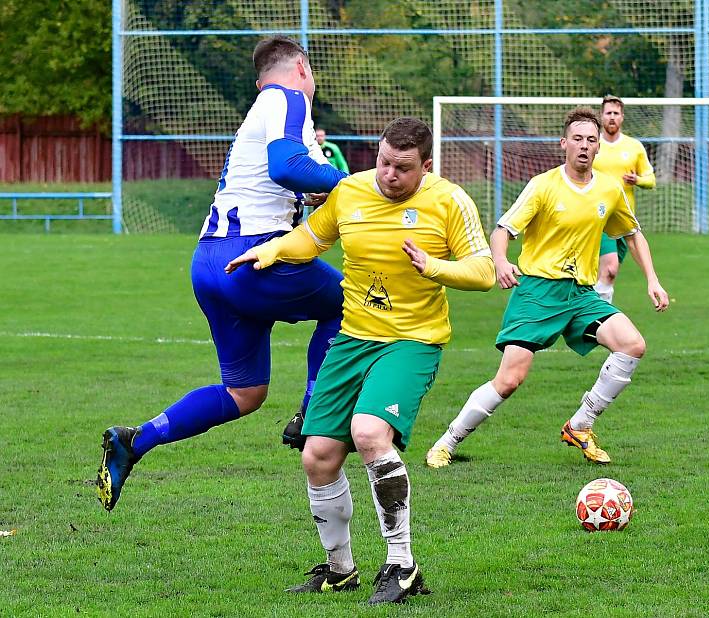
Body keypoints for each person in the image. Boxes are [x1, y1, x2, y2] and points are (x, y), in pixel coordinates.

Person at [225, 117, 495, 605]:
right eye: (384, 162)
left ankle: (402, 565)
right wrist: (271, 250)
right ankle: (340, 569)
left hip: (412, 342)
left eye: (403, 168)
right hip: (352, 340)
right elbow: (312, 237)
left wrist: (433, 266)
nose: (389, 174)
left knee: (370, 432)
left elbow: (484, 271)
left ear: (426, 166)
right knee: (318, 456)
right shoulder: (350, 191)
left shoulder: (450, 201)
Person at [95, 36, 348, 512]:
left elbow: (278, 179)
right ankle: (315, 406)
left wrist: (311, 195)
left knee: (244, 391)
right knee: (348, 300)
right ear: (302, 68)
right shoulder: (288, 97)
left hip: (208, 262)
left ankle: (135, 441)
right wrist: (352, 186)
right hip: (251, 259)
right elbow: (288, 167)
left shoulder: (260, 108)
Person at [425, 107, 669, 470]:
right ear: (563, 144)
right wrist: (503, 262)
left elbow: (633, 235)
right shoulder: (543, 185)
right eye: (577, 139)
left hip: (580, 295)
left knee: (633, 344)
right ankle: (447, 442)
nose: (584, 146)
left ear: (598, 146)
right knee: (509, 380)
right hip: (537, 292)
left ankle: (581, 424)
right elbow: (502, 231)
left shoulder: (609, 188)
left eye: (591, 139)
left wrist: (653, 279)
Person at [592, 95, 656, 303]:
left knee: (606, 274)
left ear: (622, 117)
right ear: (601, 116)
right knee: (610, 268)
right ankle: (598, 318)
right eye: (608, 113)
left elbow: (651, 179)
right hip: (597, 217)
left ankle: (591, 313)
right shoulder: (592, 144)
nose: (612, 117)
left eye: (616, 113)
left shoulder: (634, 146)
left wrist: (637, 179)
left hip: (623, 220)